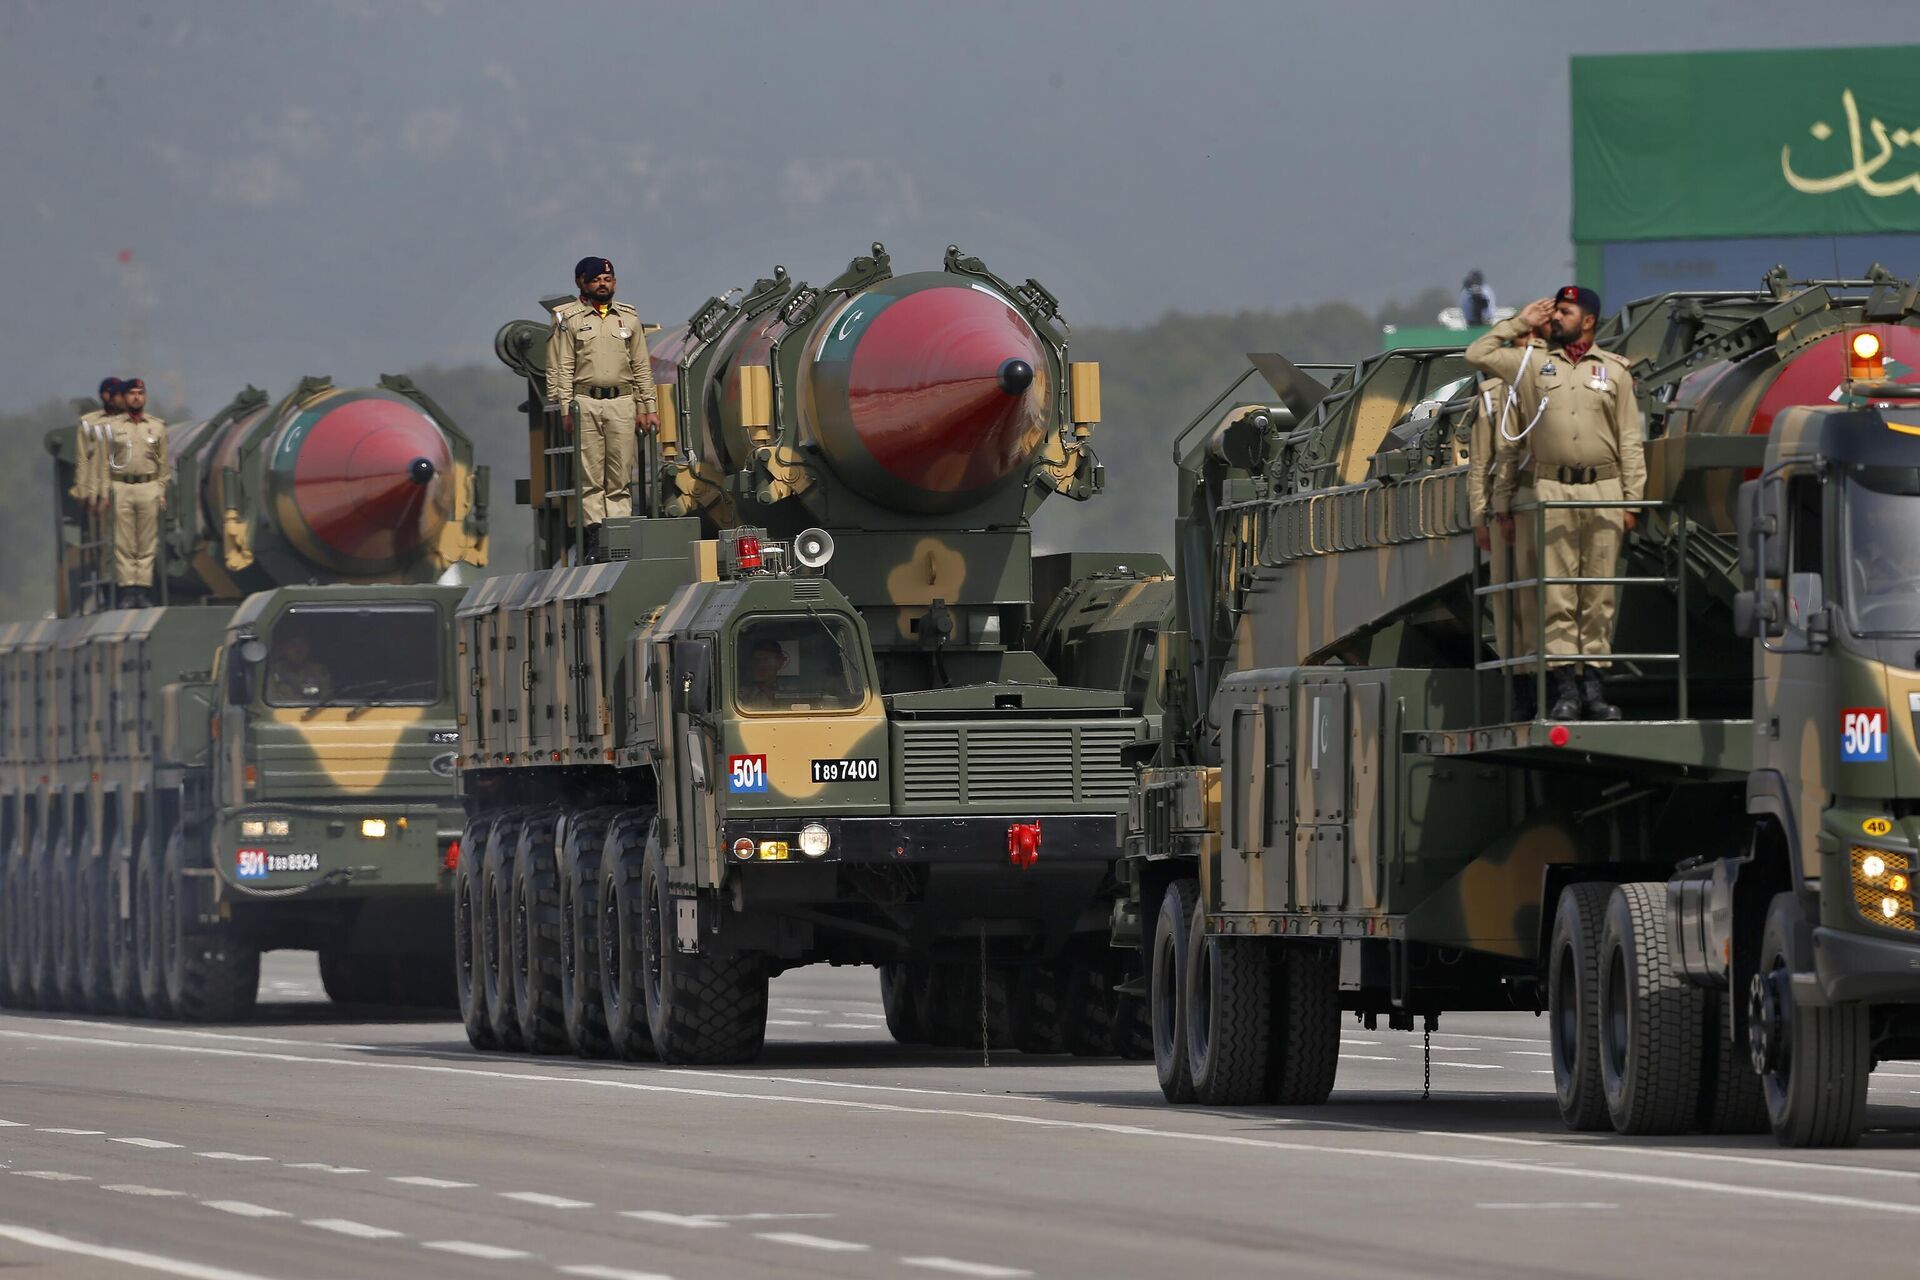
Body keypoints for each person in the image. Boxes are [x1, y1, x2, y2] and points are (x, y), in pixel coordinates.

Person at [1468, 285, 1645, 722]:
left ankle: (1594, 689)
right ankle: (1566, 688)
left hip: (1603, 490)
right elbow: (1478, 353)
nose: (1556, 317)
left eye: (1564, 311)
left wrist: (1633, 502)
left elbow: (1630, 442)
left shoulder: (1615, 372)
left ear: (1587, 320)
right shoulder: (1530, 365)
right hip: (1550, 491)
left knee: (1598, 595)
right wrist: (1521, 322)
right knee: (1557, 596)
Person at [546, 256, 660, 563]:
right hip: (585, 401)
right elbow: (561, 365)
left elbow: (640, 366)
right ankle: (596, 537)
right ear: (582, 283)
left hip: (622, 401)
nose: (603, 284)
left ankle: (620, 534)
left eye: (608, 279)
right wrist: (564, 408)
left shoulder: (628, 318)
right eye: (596, 279)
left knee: (620, 472)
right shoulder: (568, 319)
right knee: (590, 474)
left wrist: (648, 406)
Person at [1464, 320, 1547, 719]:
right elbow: (1480, 462)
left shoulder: (1558, 383)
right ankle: (1521, 686)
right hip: (1506, 506)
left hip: (1549, 497)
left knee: (1553, 599)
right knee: (1508, 598)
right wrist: (1481, 514)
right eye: (1525, 341)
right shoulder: (1493, 396)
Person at [104, 378, 170, 609]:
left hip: (148, 486)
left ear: (145, 397)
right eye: (131, 393)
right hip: (121, 486)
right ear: (125, 397)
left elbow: (163, 464)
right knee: (124, 542)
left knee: (146, 542)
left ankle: (142, 590)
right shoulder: (113, 427)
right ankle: (127, 590)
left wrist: (160, 490)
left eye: (140, 393)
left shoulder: (157, 426)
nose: (136, 397)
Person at [74, 377, 123, 511]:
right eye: (109, 392)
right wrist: (82, 491)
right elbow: (82, 459)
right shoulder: (89, 423)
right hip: (99, 493)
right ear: (102, 395)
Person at [266, 632, 332, 705]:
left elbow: (326, 699)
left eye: (302, 645)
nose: (298, 650)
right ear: (284, 648)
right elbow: (270, 700)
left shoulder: (318, 670)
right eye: (293, 645)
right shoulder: (273, 671)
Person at [738, 637, 789, 709]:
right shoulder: (740, 694)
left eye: (766, 659)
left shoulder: (789, 691)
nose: (760, 664)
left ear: (779, 663)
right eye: (756, 660)